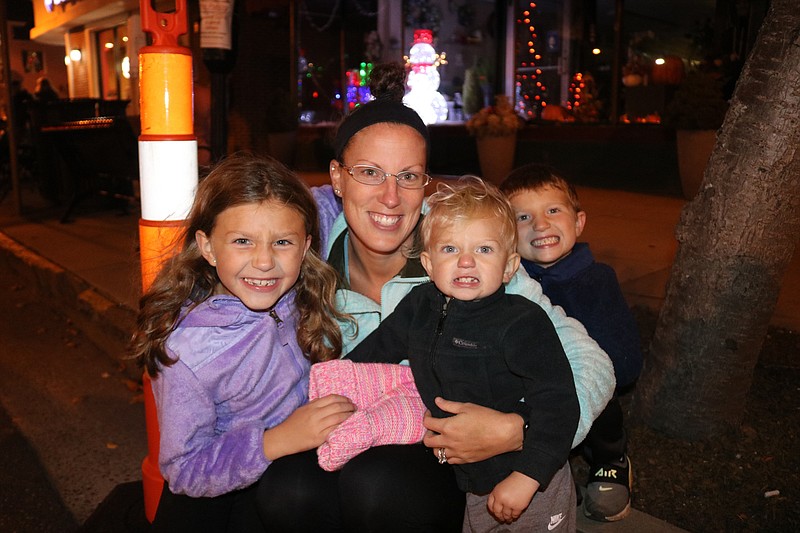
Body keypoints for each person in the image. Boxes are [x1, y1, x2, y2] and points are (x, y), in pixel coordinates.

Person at [256, 62, 615, 532]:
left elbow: (589, 362)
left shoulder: (465, 256)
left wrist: (519, 431)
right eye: (370, 172)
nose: (390, 196)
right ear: (338, 177)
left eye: (408, 176)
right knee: (286, 491)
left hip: (444, 451)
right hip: (347, 424)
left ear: (426, 183)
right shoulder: (302, 252)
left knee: (376, 484)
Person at [129, 154, 356, 532]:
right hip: (223, 490)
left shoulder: (296, 285)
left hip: (285, 477)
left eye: (282, 242)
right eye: (242, 241)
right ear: (208, 246)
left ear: (305, 246)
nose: (264, 261)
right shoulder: (190, 351)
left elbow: (330, 198)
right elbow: (184, 468)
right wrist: (273, 442)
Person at [345, 177, 579, 531]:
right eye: (450, 250)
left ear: (509, 265)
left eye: (484, 250)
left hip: (528, 475)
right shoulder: (419, 307)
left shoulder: (521, 322)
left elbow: (559, 402)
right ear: (428, 262)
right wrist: (336, 385)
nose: (466, 262)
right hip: (470, 481)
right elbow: (376, 351)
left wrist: (527, 476)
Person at [500, 164, 643, 522]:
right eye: (523, 217)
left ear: (578, 222)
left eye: (553, 210)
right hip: (532, 395)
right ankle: (551, 470)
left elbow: (625, 365)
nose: (541, 225)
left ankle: (610, 459)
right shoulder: (507, 285)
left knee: (601, 395)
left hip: (588, 387)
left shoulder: (596, 280)